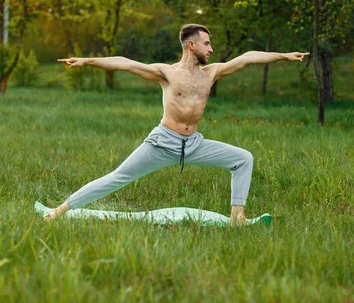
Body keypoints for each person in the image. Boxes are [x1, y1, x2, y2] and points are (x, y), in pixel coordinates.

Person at [47, 24, 309, 226]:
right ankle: (59, 211)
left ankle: (237, 218)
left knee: (243, 159)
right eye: (207, 43)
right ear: (191, 45)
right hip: (162, 143)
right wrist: (87, 61)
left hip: (194, 144)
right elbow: (125, 63)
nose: (212, 49)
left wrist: (283, 56)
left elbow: (247, 57)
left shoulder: (212, 72)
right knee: (117, 178)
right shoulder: (167, 73)